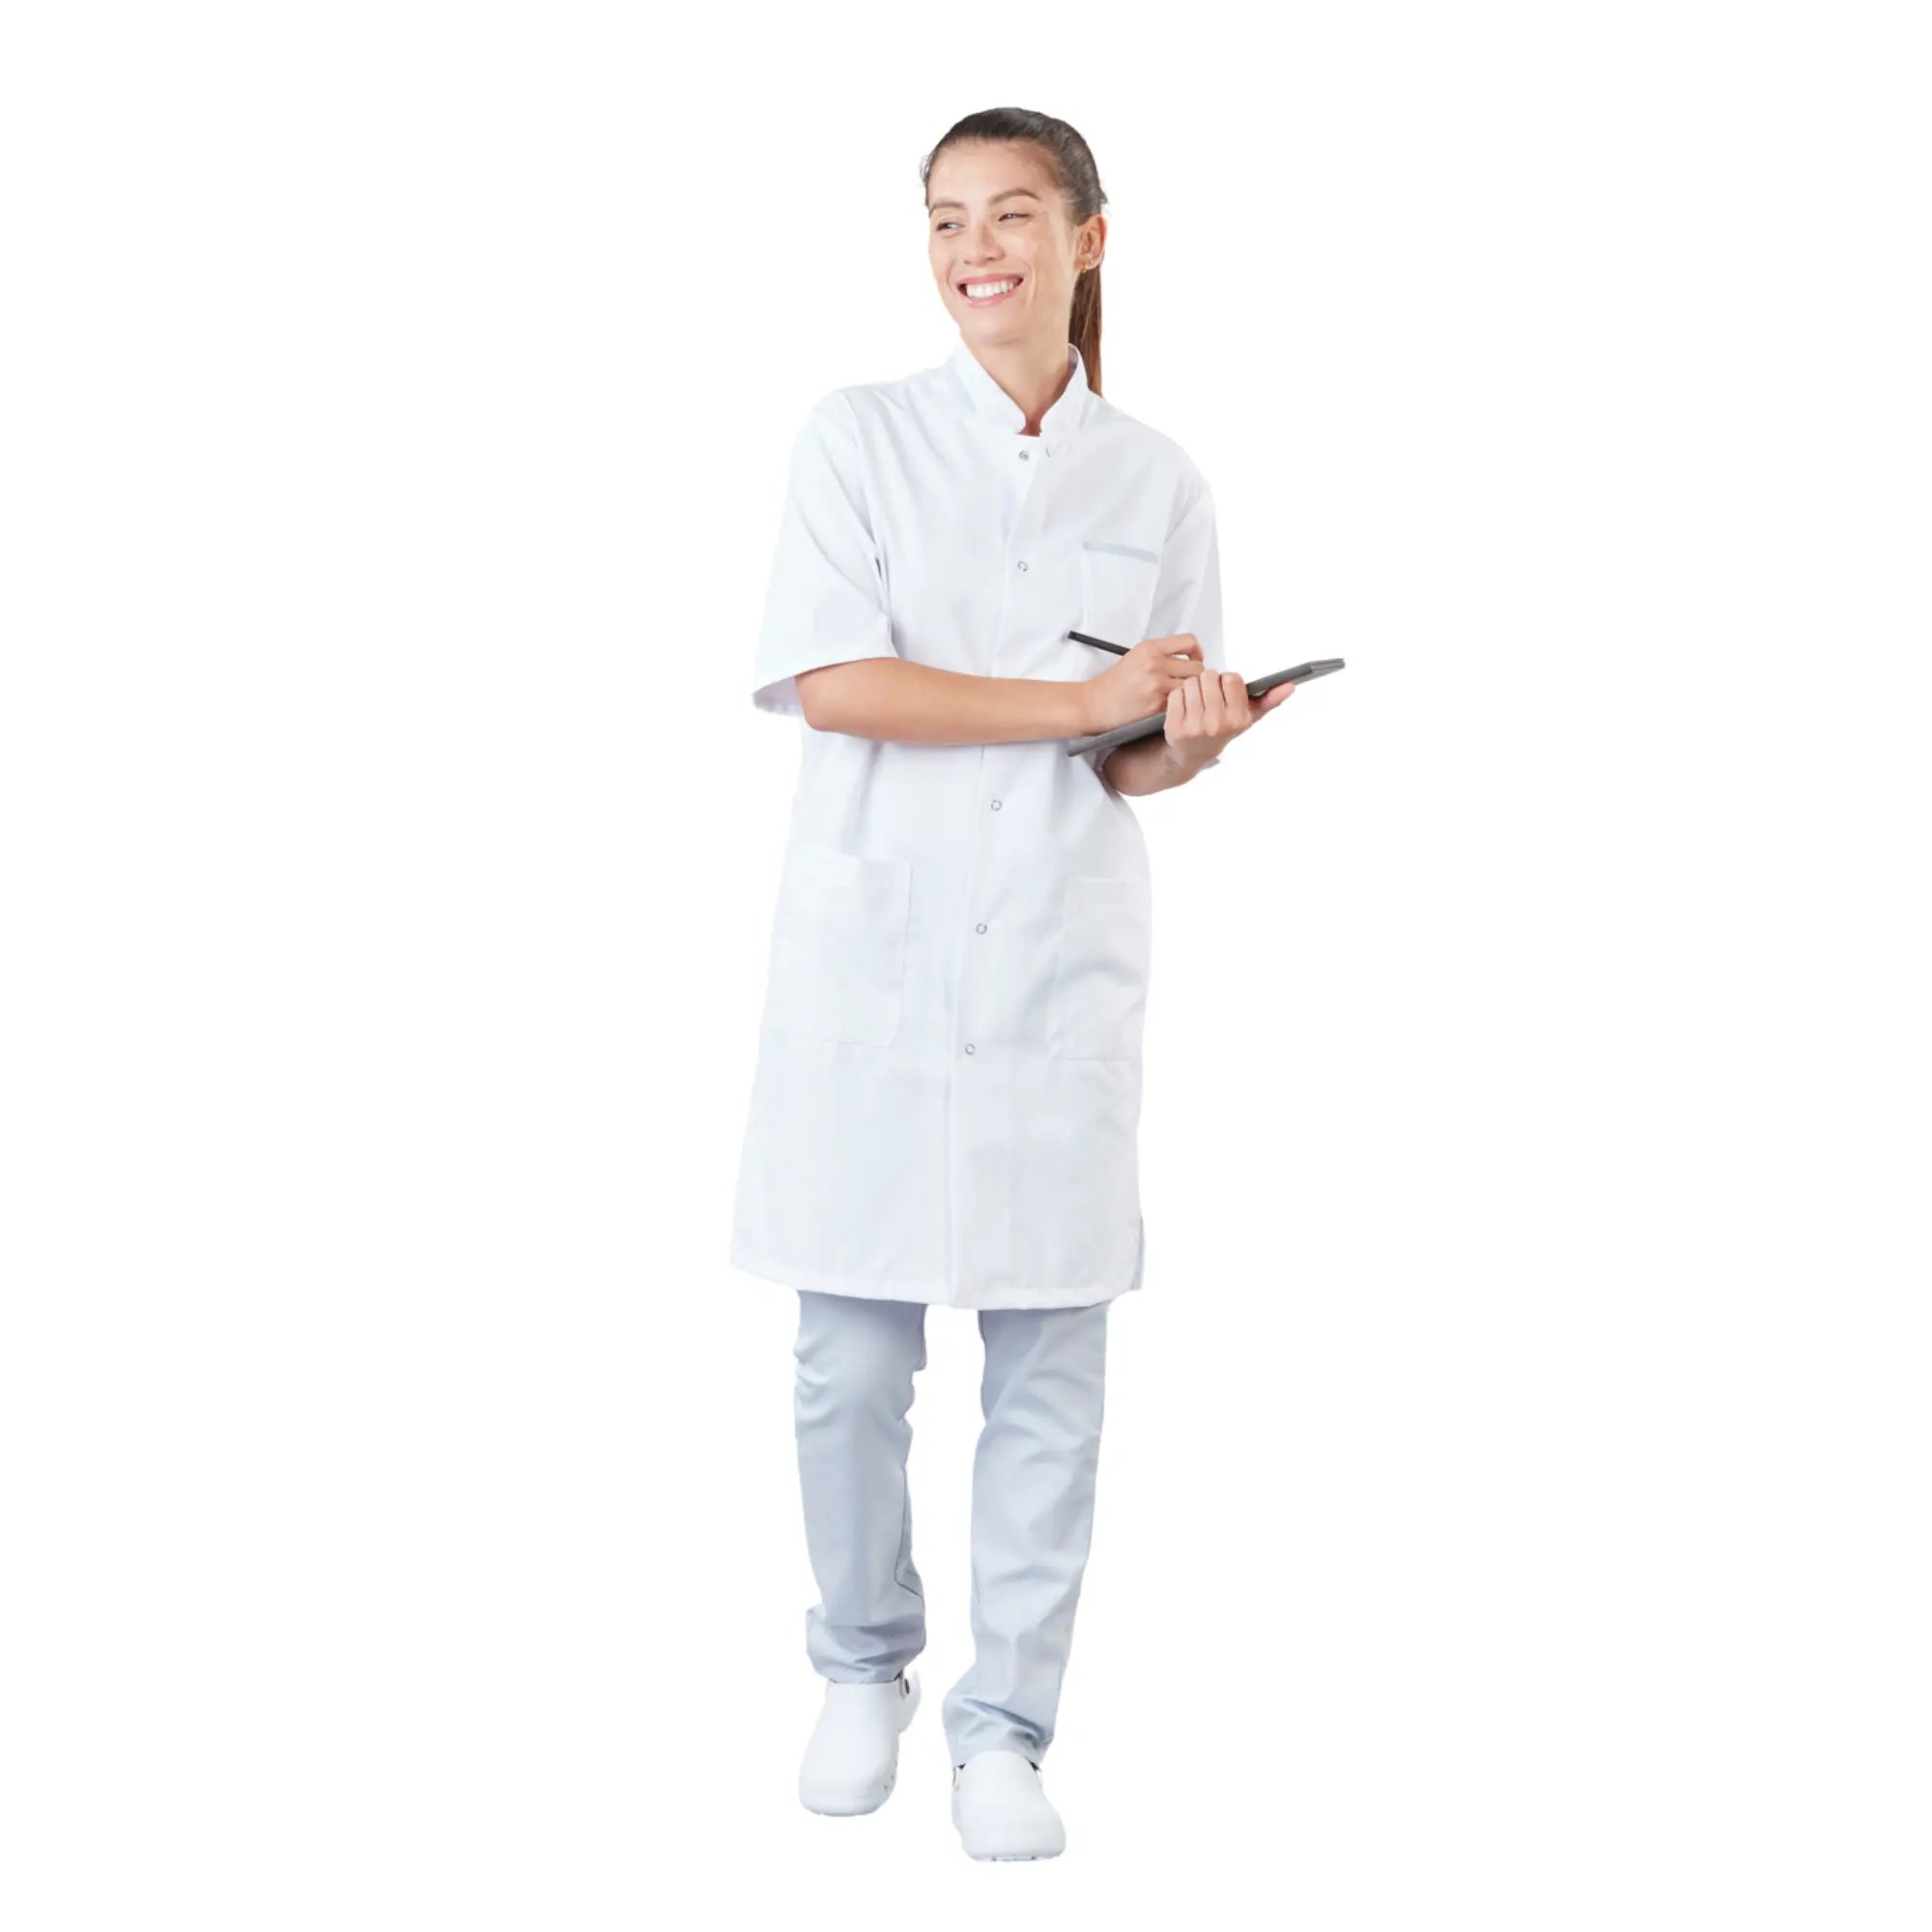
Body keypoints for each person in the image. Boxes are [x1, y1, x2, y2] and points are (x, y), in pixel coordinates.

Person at [728, 108, 1294, 1862]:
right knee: (846, 1368)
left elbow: (1125, 760)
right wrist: (1078, 702)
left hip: (1056, 966)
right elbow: (836, 682)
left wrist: (1191, 739)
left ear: (1088, 239)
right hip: (877, 973)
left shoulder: (1160, 482)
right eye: (947, 219)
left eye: (1013, 214)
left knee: (1050, 1380)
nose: (976, 249)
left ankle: (1005, 1729)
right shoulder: (861, 438)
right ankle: (861, 1666)